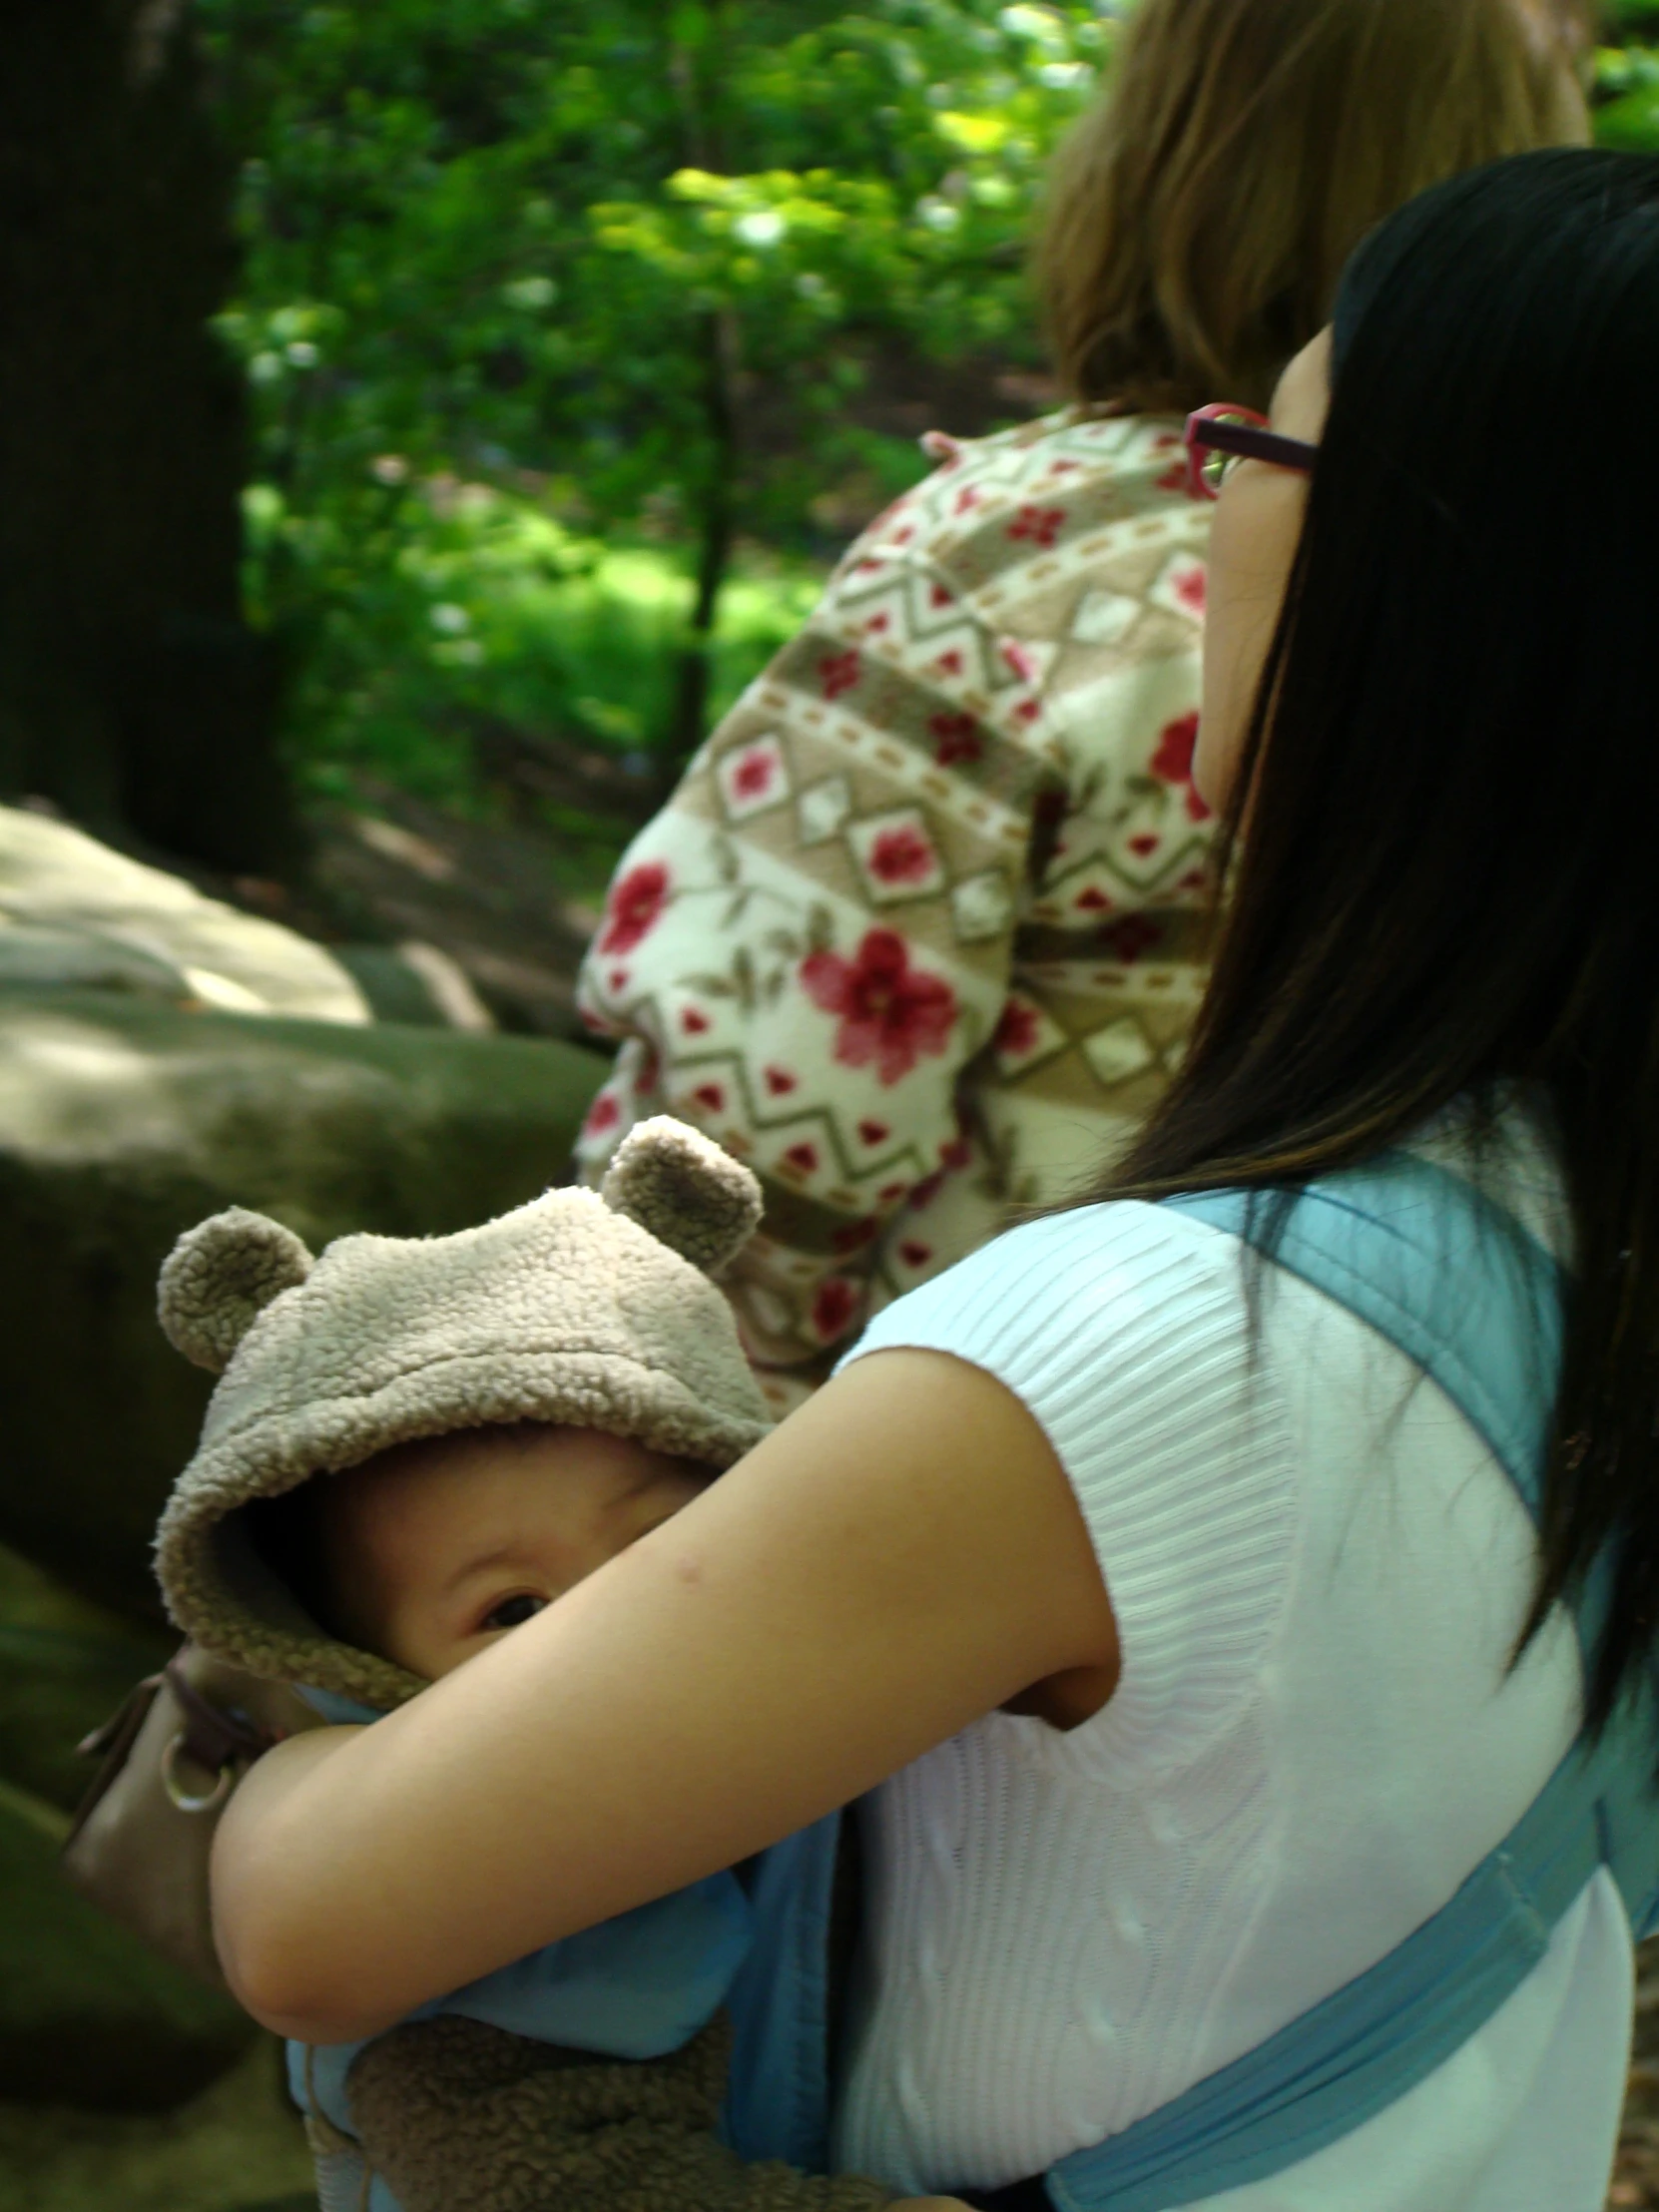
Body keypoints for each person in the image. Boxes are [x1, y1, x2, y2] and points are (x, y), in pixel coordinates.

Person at [208, 146, 1659, 2212]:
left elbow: (317, 1924)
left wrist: (264, 1731)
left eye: (1249, 450)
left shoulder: (1133, 1361)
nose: (1197, 518)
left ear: (1412, 585)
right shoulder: (1592, 1249)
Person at [572, 0, 1592, 1412]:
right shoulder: (1565, 583)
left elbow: (719, 1181)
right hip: (1360, 1493)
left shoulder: (1009, 560)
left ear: (1154, 147)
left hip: (904, 1512)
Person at [151, 1118, 952, 2212]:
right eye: (513, 1607)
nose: (608, 1625)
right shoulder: (486, 1912)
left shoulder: (776, 1690)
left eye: (660, 1544)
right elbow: (549, 2172)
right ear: (370, 1666)